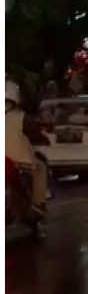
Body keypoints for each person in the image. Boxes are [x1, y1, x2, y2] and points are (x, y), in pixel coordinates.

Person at [5, 81, 48, 217]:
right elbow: (35, 133)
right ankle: (38, 203)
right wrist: (43, 139)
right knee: (41, 167)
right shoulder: (21, 117)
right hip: (19, 161)